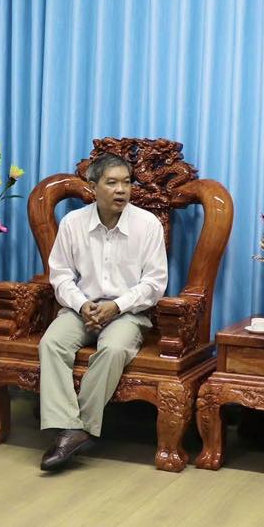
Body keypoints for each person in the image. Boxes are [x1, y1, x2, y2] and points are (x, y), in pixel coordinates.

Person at [37, 153, 168, 471]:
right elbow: (60, 276)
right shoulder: (73, 223)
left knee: (113, 349)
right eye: (112, 183)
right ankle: (71, 428)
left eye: (127, 182)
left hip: (128, 311)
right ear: (92, 187)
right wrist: (82, 304)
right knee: (51, 343)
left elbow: (155, 283)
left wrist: (117, 306)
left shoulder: (147, 224)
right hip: (82, 308)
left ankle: (75, 431)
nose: (121, 190)